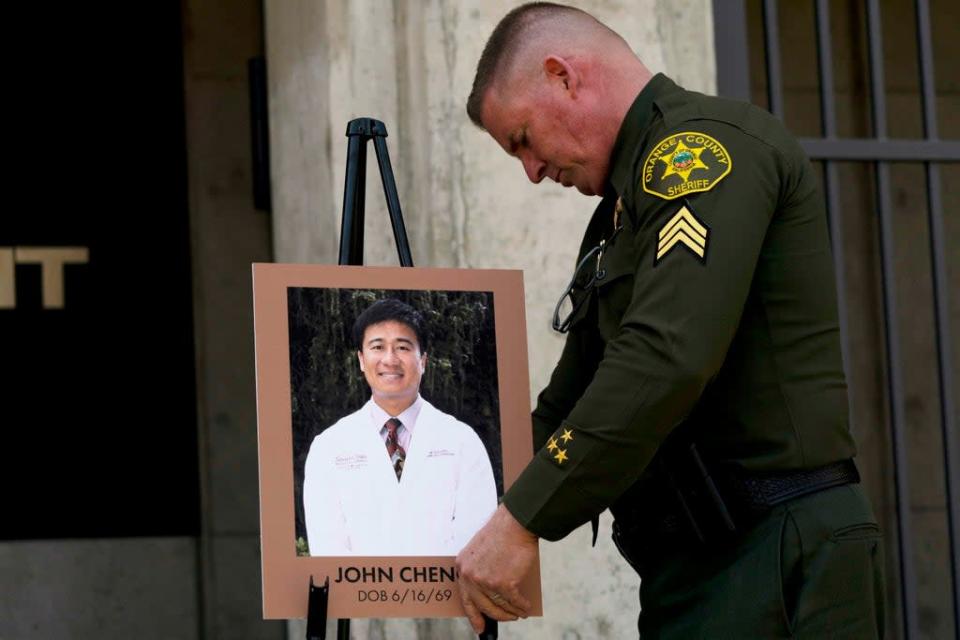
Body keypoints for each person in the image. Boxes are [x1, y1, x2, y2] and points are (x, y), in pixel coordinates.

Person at [456, 3, 885, 638]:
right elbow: (569, 402)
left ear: (562, 77)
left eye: (523, 139)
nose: (533, 171)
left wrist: (523, 518)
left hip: (773, 554)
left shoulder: (700, 152)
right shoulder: (617, 219)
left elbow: (665, 356)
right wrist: (455, 501)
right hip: (695, 568)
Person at [302, 298, 497, 556]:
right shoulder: (329, 446)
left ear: (423, 360)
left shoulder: (461, 440)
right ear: (361, 360)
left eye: (403, 347)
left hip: (446, 595)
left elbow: (477, 541)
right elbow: (328, 549)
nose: (390, 359)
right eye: (377, 347)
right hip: (359, 595)